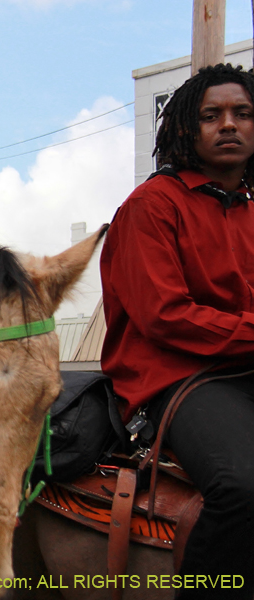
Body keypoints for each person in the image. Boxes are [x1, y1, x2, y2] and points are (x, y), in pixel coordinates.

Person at [101, 63, 254, 599]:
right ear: (187, 129)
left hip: (243, 367)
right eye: (212, 116)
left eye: (242, 113)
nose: (228, 125)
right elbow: (163, 315)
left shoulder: (252, 210)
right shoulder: (151, 204)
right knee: (241, 485)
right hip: (175, 379)